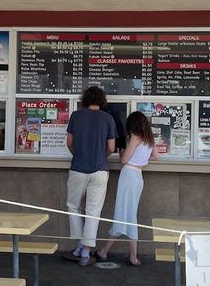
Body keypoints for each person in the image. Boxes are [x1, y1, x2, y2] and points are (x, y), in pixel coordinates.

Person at [96, 111, 158, 266]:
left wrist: (122, 152)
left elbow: (124, 159)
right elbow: (155, 156)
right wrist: (142, 159)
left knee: (123, 213)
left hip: (128, 174)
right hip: (138, 176)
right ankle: (123, 254)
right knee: (129, 213)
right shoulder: (149, 139)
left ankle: (124, 255)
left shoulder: (135, 137)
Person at [65, 86, 117, 267]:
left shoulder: (76, 116)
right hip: (100, 170)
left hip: (78, 168)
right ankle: (86, 253)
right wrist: (101, 156)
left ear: (85, 99)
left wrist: (79, 154)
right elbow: (111, 147)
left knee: (73, 206)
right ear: (102, 100)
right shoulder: (108, 118)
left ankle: (79, 245)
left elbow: (69, 143)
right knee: (93, 211)